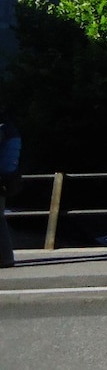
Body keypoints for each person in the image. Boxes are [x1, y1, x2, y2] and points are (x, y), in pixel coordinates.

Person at [0, 109, 20, 269]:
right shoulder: (8, 127)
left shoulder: (3, 129)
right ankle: (5, 257)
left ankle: (5, 258)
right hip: (6, 177)